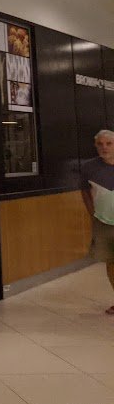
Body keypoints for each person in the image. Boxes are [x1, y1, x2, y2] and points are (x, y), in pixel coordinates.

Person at [80, 129, 114, 314]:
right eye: (100, 144)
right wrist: (92, 212)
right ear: (95, 145)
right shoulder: (89, 168)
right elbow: (85, 191)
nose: (104, 147)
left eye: (109, 143)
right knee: (111, 263)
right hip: (103, 222)